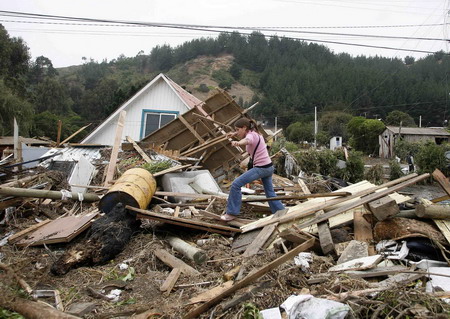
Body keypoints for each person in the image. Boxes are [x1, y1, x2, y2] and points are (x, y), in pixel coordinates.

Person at [221, 118, 285, 221]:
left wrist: (238, 143)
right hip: (268, 167)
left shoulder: (251, 136)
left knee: (236, 184)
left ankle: (231, 213)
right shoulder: (255, 133)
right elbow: (245, 136)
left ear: (244, 128)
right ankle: (281, 213)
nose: (236, 132)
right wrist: (233, 134)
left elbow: (247, 140)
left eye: (238, 129)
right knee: (270, 193)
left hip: (261, 168)